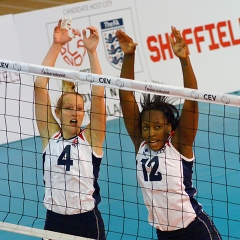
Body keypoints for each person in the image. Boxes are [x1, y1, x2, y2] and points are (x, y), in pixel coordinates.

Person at [116, 28, 222, 240]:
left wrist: (184, 60)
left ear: (169, 128)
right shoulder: (141, 144)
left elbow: (192, 100)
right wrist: (129, 56)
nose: (150, 133)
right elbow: (125, 93)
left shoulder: (180, 144)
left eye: (157, 127)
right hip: (164, 234)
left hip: (195, 230)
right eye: (146, 127)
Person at [34, 19, 106, 240]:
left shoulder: (92, 138)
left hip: (86, 221)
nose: (75, 113)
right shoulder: (50, 135)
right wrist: (57, 45)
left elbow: (99, 93)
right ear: (58, 112)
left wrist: (92, 52)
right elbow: (39, 85)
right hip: (54, 220)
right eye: (68, 108)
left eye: (79, 109)